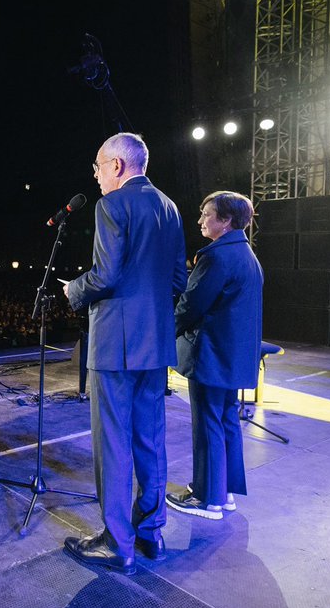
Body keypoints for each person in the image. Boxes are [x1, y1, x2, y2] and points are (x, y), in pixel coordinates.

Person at [62, 132, 187, 574]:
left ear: (117, 165)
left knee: (113, 442)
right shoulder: (169, 208)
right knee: (150, 439)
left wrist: (74, 290)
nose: (96, 175)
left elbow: (105, 276)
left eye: (98, 166)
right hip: (155, 343)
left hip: (116, 344)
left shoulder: (111, 205)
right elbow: (177, 281)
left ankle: (117, 543)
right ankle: (151, 533)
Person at [165, 191, 263, 520]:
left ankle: (208, 500)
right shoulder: (247, 255)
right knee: (226, 421)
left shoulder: (217, 257)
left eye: (206, 215)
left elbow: (191, 305)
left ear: (226, 220)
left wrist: (165, 333)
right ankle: (224, 492)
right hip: (231, 357)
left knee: (208, 424)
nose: (200, 220)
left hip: (211, 356)